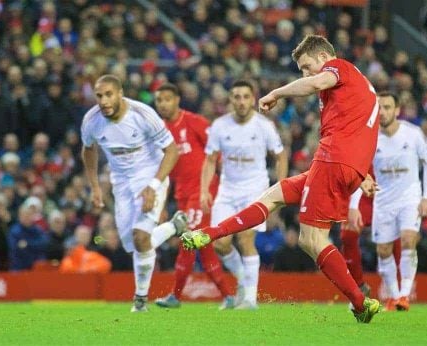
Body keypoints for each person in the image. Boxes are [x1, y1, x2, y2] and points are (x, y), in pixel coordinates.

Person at [181, 35, 382, 323]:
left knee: (311, 239)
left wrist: (277, 92)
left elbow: (316, 83)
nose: (305, 74)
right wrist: (359, 174)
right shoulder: (359, 85)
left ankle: (361, 301)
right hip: (345, 166)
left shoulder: (339, 68)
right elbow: (360, 130)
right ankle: (208, 234)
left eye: (306, 66)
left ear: (325, 58)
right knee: (275, 194)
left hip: (334, 160)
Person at [81, 74, 188, 312]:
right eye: (99, 96)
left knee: (141, 237)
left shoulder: (142, 115)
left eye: (109, 94)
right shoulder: (91, 120)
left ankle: (140, 300)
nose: (104, 101)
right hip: (121, 183)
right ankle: (173, 227)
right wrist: (95, 186)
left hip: (150, 175)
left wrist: (153, 185)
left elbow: (171, 151)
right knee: (133, 243)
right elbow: (88, 150)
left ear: (120, 93)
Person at [200, 80, 288, 309]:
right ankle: (243, 281)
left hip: (255, 189)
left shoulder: (264, 126)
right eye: (236, 96)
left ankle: (249, 299)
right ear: (230, 100)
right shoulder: (220, 125)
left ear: (252, 99)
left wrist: (280, 188)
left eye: (245, 97)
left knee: (246, 238)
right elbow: (210, 160)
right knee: (219, 243)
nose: (240, 101)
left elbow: (280, 156)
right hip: (227, 191)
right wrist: (204, 190)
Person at [152, 83, 235, 310]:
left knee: (188, 241)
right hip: (182, 195)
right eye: (159, 100)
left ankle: (175, 297)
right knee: (204, 246)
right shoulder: (158, 132)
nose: (163, 104)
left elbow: (216, 153)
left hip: (201, 193)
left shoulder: (194, 122)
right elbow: (163, 170)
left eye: (167, 99)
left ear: (177, 99)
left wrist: (215, 187)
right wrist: (161, 205)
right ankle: (229, 296)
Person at [366, 91, 427, 311]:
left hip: (409, 197)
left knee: (408, 239)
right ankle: (393, 297)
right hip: (383, 201)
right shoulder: (369, 137)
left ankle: (405, 295)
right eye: (380, 108)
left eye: (387, 107)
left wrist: (426, 197)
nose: (383, 112)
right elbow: (359, 169)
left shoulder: (412, 134)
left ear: (397, 110)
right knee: (384, 251)